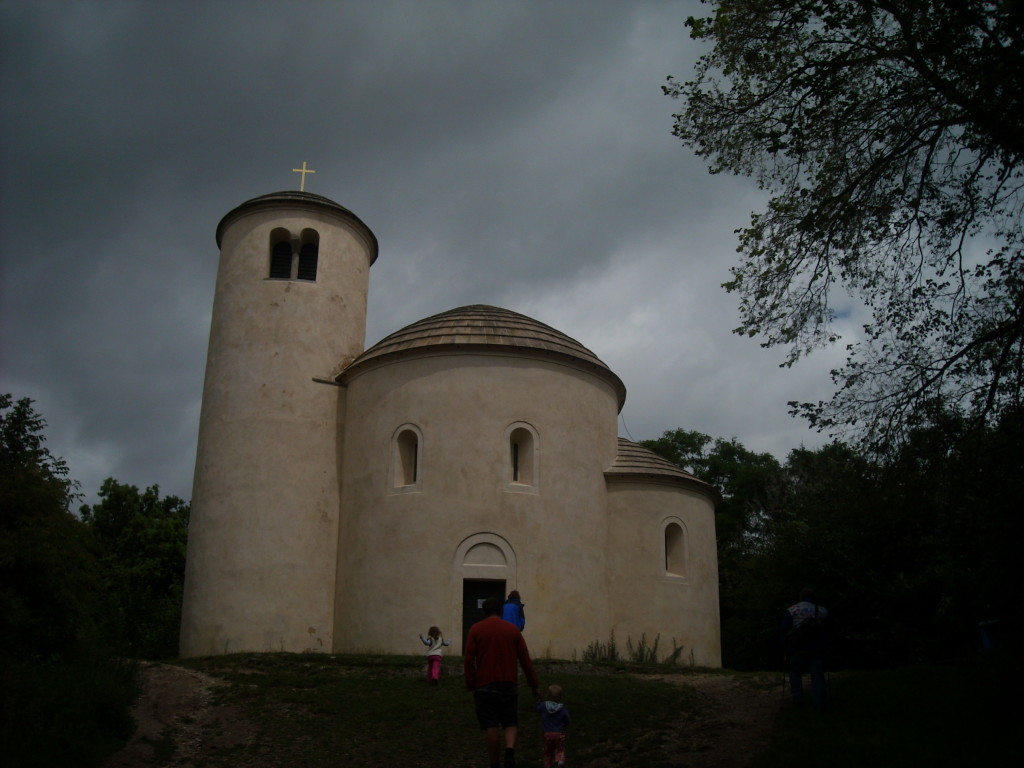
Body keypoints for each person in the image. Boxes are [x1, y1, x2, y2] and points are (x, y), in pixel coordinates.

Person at [465, 597, 540, 768]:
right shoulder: (513, 631)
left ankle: (494, 763)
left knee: (491, 725)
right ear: (501, 611)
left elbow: (469, 659)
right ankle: (510, 752)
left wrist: (470, 682)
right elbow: (525, 660)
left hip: (484, 684)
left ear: (484, 611)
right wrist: (534, 684)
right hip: (509, 683)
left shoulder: (476, 629)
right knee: (511, 721)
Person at [781, 587, 831, 710]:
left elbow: (783, 629)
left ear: (801, 597)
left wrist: (785, 645)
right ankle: (819, 703)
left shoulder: (793, 610)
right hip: (817, 648)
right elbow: (829, 630)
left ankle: (798, 699)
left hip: (798, 647)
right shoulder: (822, 610)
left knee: (795, 671)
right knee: (817, 675)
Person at [534, 684, 570, 768]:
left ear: (548, 696)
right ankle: (559, 761)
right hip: (559, 733)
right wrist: (564, 725)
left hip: (547, 733)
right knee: (559, 749)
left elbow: (537, 709)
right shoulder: (562, 708)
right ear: (560, 697)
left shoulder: (544, 706)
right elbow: (567, 719)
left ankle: (548, 765)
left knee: (547, 752)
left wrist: (538, 701)